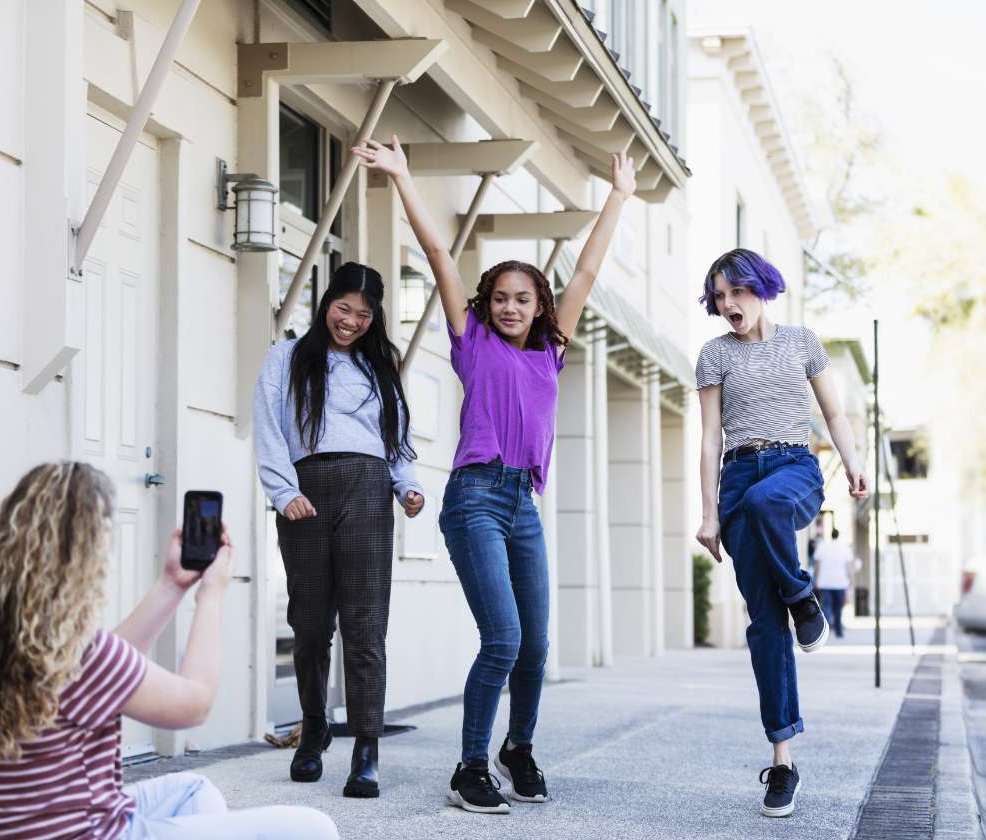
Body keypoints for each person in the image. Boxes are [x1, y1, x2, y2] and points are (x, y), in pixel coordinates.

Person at [353, 135, 636, 814]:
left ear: (540, 307)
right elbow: (441, 255)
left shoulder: (550, 353)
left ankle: (519, 748)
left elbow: (586, 276)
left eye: (524, 299)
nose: (512, 307)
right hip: (475, 498)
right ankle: (469, 767)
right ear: (487, 305)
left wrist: (618, 198)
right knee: (503, 637)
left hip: (523, 505)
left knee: (536, 645)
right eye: (501, 298)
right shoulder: (471, 341)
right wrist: (402, 177)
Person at [0, 461, 339, 839]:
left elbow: (109, 666)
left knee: (194, 792)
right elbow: (194, 704)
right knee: (312, 828)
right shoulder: (84, 658)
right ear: (83, 558)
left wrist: (172, 584)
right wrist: (211, 593)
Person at [693, 249, 869, 819]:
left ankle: (802, 593)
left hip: (794, 469)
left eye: (735, 293)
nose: (727, 305)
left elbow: (835, 414)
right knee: (765, 626)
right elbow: (710, 436)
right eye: (718, 298)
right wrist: (709, 513)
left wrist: (855, 462)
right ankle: (784, 761)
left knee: (769, 504)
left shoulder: (802, 342)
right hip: (737, 474)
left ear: (759, 288)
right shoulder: (714, 354)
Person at [254, 262, 424, 799]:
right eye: (343, 308)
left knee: (365, 626)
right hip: (306, 493)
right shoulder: (287, 357)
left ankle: (366, 748)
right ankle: (314, 728)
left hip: (368, 491)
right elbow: (267, 425)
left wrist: (407, 486)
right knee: (308, 625)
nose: (350, 321)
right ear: (327, 302)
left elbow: (396, 434)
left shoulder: (380, 369)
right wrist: (284, 492)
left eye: (364, 314)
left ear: (375, 319)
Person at [813, 528, 854, 638]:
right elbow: (848, 565)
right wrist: (850, 580)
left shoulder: (822, 546)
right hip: (840, 582)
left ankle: (826, 631)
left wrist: (816, 579)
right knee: (838, 607)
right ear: (838, 535)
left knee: (826, 606)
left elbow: (817, 564)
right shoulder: (844, 547)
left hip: (825, 582)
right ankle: (839, 631)